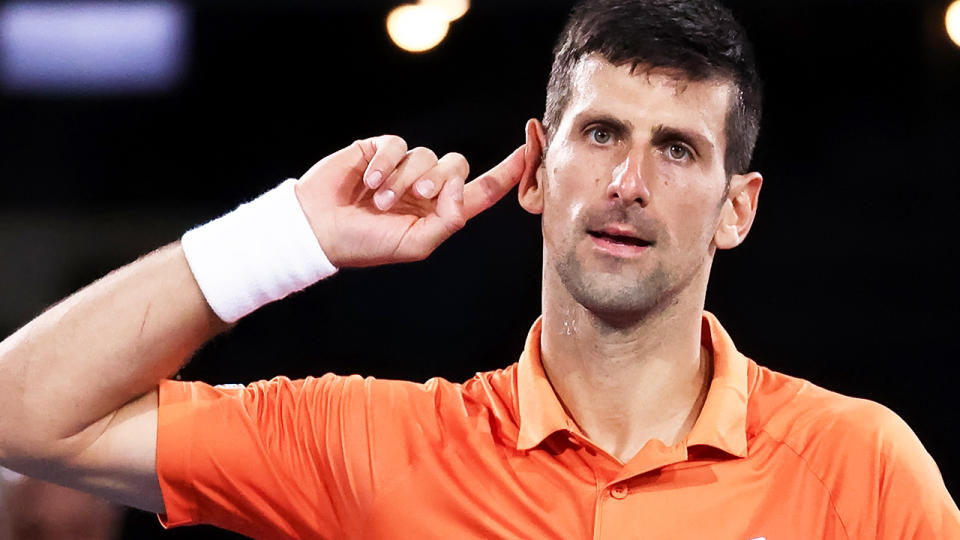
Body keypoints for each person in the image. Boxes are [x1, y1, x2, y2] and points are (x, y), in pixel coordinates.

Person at [0, 0, 957, 538]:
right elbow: (21, 410)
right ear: (535, 167)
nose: (627, 181)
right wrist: (288, 235)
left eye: (676, 149)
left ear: (736, 207)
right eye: (600, 132)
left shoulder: (862, 469)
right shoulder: (369, 448)